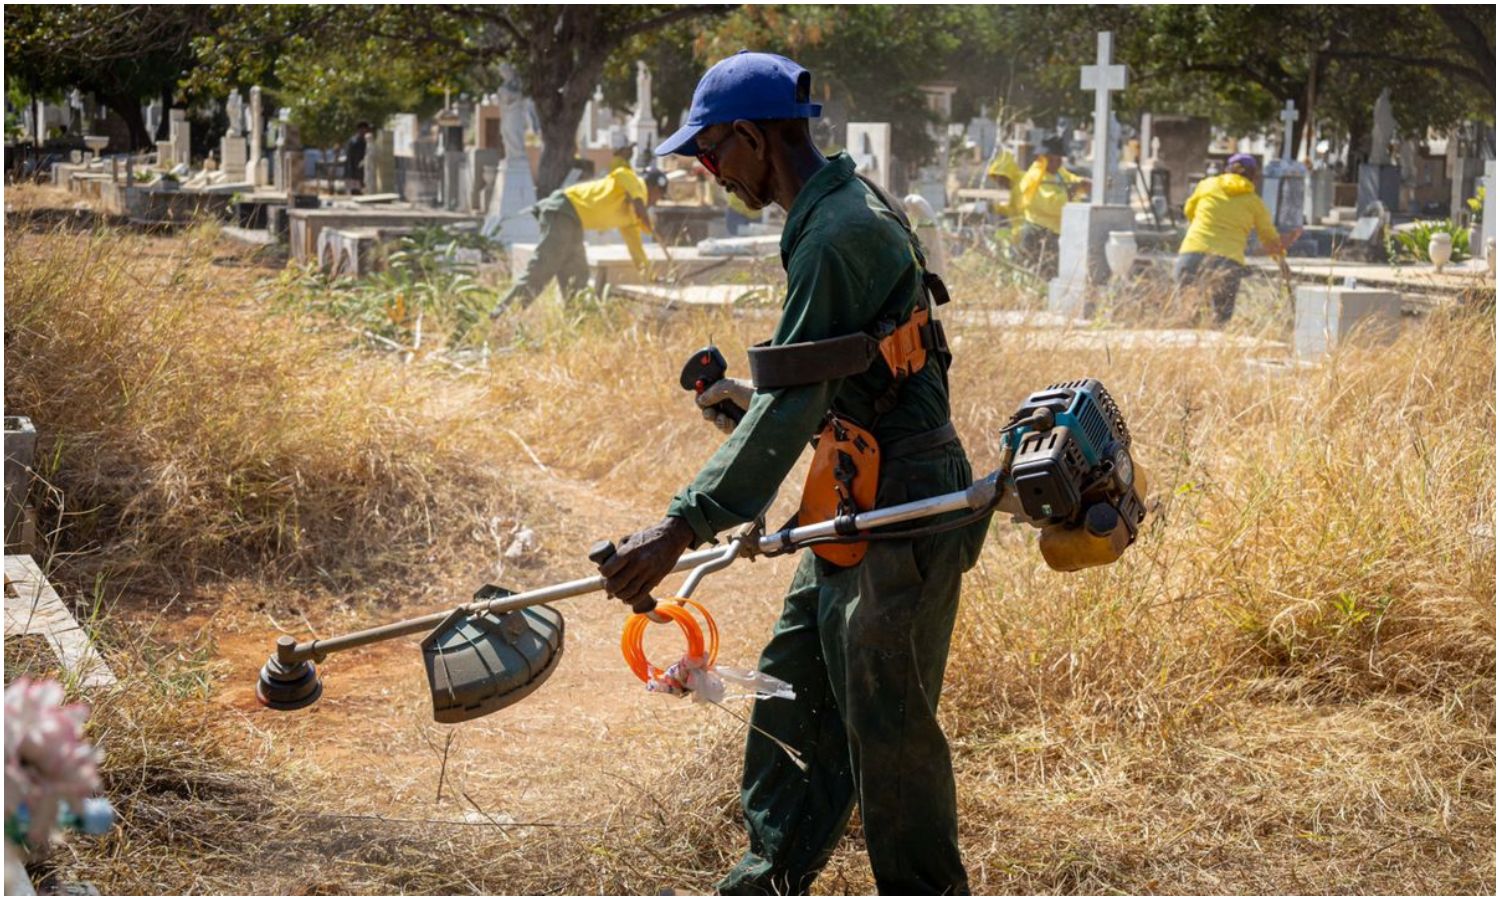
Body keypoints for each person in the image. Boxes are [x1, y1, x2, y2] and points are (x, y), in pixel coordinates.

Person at [592, 51, 988, 895]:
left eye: (709, 154)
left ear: (750, 136)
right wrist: (749, 400)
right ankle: (765, 883)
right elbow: (828, 378)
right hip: (854, 492)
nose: (708, 173)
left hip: (904, 510)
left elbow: (797, 400)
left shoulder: (840, 231)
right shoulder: (827, 210)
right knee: (792, 704)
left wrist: (680, 526)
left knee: (890, 740)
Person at [490, 134, 666, 317]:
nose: (656, 202)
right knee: (542, 267)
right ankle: (502, 314)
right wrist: (649, 224)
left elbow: (637, 253)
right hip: (564, 209)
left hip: (574, 223)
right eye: (658, 197)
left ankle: (577, 323)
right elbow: (637, 199)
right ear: (653, 188)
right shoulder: (630, 178)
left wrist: (651, 277)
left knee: (577, 278)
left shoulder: (630, 219)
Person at [1175, 153, 1302, 324]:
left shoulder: (1207, 186)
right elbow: (1271, 241)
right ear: (1253, 177)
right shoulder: (1254, 203)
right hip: (1227, 262)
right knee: (1219, 322)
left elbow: (1189, 211)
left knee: (1186, 317)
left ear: (1226, 170)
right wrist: (1282, 263)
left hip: (1191, 256)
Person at [1015, 134, 1090, 278]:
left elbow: (1072, 180)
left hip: (1054, 234)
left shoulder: (1058, 173)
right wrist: (1074, 191)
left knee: (1053, 274)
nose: (1056, 163)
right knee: (1039, 275)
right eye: (1051, 159)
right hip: (1038, 234)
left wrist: (1084, 183)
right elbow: (1053, 205)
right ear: (1042, 158)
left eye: (1058, 159)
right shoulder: (1035, 177)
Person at [344, 121, 371, 194]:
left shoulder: (365, 141)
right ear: (359, 130)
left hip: (361, 171)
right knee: (355, 193)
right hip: (353, 172)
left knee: (360, 193)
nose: (365, 132)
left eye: (366, 130)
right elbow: (349, 159)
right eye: (363, 130)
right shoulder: (353, 141)